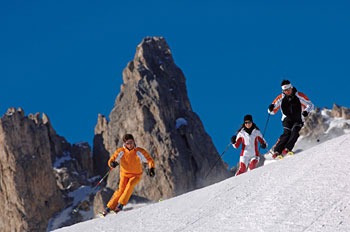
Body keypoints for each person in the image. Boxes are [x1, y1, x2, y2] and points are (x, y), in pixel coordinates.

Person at [100, 134, 155, 217]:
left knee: (129, 185)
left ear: (134, 142)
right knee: (120, 190)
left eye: (131, 142)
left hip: (136, 175)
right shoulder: (121, 151)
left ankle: (120, 205)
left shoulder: (139, 152)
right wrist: (112, 163)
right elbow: (112, 159)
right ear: (125, 144)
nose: (130, 145)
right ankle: (109, 207)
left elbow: (149, 160)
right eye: (128, 143)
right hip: (124, 174)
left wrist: (151, 168)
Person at [268, 80, 314, 158]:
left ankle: (287, 149)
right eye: (285, 90)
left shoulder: (299, 95)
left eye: (288, 89)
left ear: (291, 87)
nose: (287, 91)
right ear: (283, 90)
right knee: (287, 133)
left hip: (298, 118)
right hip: (287, 119)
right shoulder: (280, 98)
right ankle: (277, 151)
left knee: (295, 131)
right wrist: (271, 108)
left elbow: (310, 105)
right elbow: (272, 112)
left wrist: (306, 111)